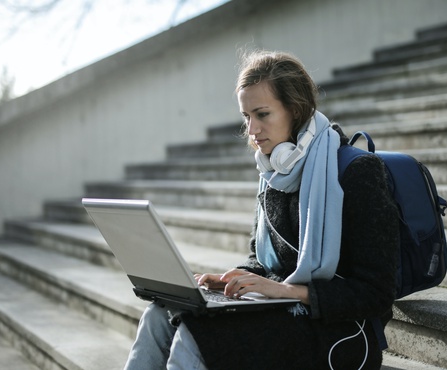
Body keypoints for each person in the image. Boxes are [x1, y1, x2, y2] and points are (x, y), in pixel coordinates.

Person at [124, 50, 399, 370]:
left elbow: (376, 292)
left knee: (198, 336)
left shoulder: (357, 172)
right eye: (246, 116)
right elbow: (262, 261)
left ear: (295, 110)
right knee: (160, 314)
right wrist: (230, 281)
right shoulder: (273, 175)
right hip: (281, 309)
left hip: (339, 332)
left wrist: (287, 291)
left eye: (262, 114)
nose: (252, 130)